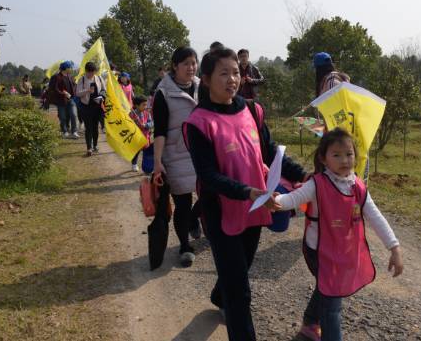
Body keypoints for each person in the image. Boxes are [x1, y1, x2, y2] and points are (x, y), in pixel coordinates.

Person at [184, 48, 307, 340]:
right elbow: (208, 176)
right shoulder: (198, 123)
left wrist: (303, 175)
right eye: (224, 73)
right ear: (206, 79)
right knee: (240, 290)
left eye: (236, 73)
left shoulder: (252, 110)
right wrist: (246, 191)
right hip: (221, 213)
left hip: (254, 207)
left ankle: (219, 295)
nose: (232, 79)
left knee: (239, 269)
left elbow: (270, 152)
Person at [273, 128, 403, 341]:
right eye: (336, 155)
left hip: (343, 252)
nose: (344, 160)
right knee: (332, 304)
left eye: (349, 154)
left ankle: (309, 323)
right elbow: (292, 199)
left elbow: (375, 216)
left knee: (327, 287)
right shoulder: (316, 184)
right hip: (319, 252)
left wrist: (394, 247)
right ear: (323, 159)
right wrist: (275, 201)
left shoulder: (357, 186)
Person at [152, 46, 202, 267]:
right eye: (186, 64)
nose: (191, 68)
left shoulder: (202, 86)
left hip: (202, 152)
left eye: (194, 63)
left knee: (210, 194)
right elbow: (160, 131)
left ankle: (194, 218)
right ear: (175, 66)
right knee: (182, 203)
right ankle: (184, 246)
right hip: (176, 155)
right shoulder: (163, 93)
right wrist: (157, 162)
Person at [75, 61, 106, 156]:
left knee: (95, 127)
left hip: (97, 107)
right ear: (86, 71)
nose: (91, 74)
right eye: (89, 72)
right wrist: (87, 90)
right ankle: (89, 148)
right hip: (86, 107)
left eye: (93, 72)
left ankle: (95, 145)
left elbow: (104, 90)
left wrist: (101, 97)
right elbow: (77, 93)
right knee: (88, 127)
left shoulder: (99, 78)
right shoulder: (82, 80)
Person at [49, 61, 79, 139]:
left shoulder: (70, 76)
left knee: (73, 115)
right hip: (61, 101)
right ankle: (65, 131)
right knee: (62, 117)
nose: (71, 69)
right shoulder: (56, 77)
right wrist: (63, 93)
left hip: (71, 100)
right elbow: (53, 88)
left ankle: (74, 131)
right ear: (66, 68)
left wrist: (75, 89)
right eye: (70, 67)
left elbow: (74, 85)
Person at [129, 95, 153, 172]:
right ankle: (134, 163)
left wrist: (146, 125)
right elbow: (128, 124)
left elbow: (151, 123)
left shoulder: (147, 114)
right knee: (137, 151)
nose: (145, 107)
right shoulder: (132, 114)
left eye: (146, 104)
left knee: (146, 152)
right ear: (137, 105)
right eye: (143, 105)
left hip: (145, 136)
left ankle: (147, 166)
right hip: (136, 137)